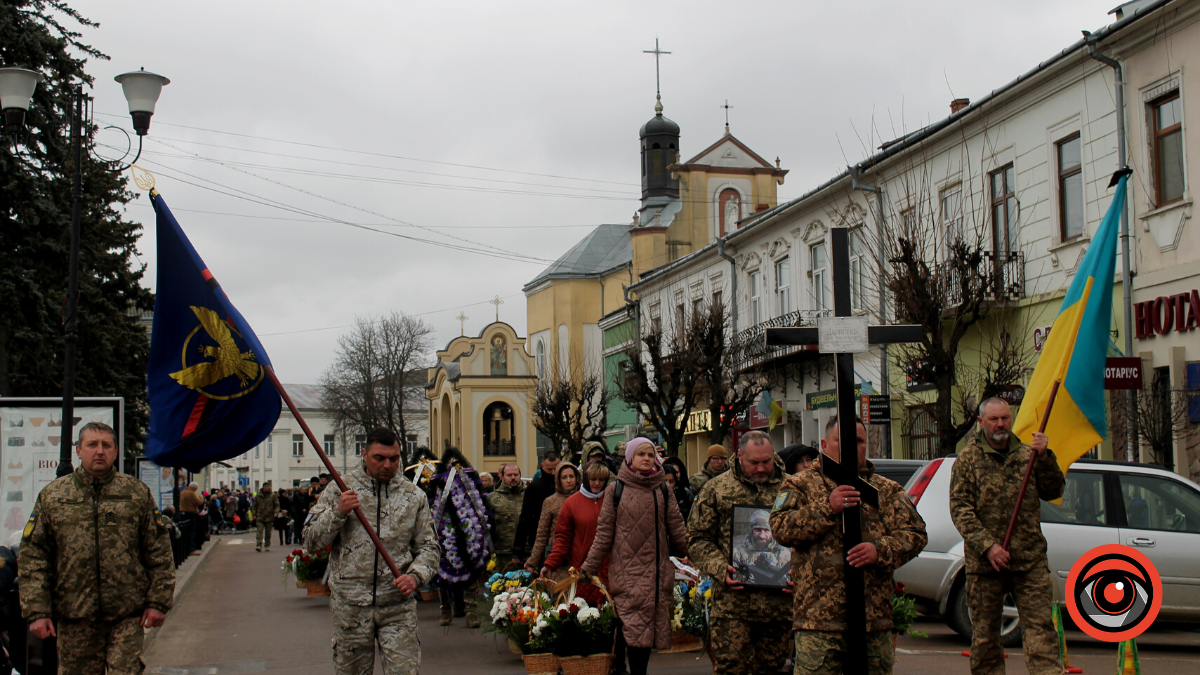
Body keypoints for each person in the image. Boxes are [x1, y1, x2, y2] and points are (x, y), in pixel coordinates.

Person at [770, 416, 927, 675]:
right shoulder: (800, 484)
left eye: (859, 441)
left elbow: (915, 533)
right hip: (818, 621)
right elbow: (781, 528)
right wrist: (826, 509)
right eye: (842, 441)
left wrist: (880, 549)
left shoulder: (886, 490)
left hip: (872, 619)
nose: (852, 447)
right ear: (824, 444)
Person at [20, 422, 175, 675]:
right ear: (79, 451)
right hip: (74, 617)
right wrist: (36, 610)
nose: (99, 451)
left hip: (126, 615)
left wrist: (158, 601)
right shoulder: (54, 496)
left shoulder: (135, 493)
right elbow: (34, 555)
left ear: (115, 451)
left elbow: (158, 551)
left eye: (106, 445)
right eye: (92, 445)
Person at [305, 428, 440, 675]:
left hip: (397, 607)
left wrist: (416, 576)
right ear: (364, 454)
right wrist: (338, 512)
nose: (388, 465)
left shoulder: (413, 496)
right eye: (380, 458)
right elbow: (311, 542)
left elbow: (429, 547)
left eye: (394, 458)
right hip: (351, 608)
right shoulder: (340, 490)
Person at [950, 398, 1064, 675]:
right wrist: (989, 547)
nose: (1000, 424)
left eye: (1005, 418)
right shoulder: (968, 459)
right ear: (981, 422)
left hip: (1029, 561)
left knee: (1041, 632)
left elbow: (1054, 490)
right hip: (986, 565)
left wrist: (1046, 457)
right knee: (986, 638)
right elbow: (960, 509)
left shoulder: (1029, 454)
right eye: (994, 419)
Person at [687, 430, 792, 675]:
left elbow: (805, 537)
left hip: (778, 607)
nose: (761, 469)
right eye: (754, 463)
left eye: (766, 461)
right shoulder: (717, 489)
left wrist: (798, 568)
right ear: (739, 456)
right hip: (733, 607)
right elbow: (696, 538)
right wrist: (721, 568)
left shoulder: (792, 487)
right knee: (731, 669)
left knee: (772, 669)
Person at [583, 437, 688, 675]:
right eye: (641, 454)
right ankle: (627, 669)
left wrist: (695, 556)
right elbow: (604, 532)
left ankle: (631, 670)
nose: (646, 459)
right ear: (630, 458)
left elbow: (677, 528)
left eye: (650, 455)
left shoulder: (663, 489)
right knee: (633, 629)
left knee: (644, 633)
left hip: (658, 574)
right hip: (626, 572)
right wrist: (589, 567)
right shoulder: (615, 490)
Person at [542, 461, 611, 606]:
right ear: (586, 479)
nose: (597, 483)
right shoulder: (571, 503)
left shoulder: (613, 501)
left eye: (601, 480)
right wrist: (550, 564)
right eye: (593, 479)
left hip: (610, 571)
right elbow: (562, 539)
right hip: (582, 570)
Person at [525, 463, 580, 576]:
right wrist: (533, 561)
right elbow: (542, 535)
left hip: (580, 558)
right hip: (558, 560)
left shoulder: (583, 499)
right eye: (564, 477)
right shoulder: (550, 502)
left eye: (571, 476)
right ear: (558, 480)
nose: (568, 480)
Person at [511, 451, 560, 564]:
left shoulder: (568, 485)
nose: (553, 473)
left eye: (555, 469)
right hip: (539, 540)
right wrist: (518, 551)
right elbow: (524, 519)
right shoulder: (534, 488)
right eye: (549, 470)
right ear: (542, 466)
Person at [486, 464, 524, 571]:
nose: (513, 477)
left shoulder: (529, 494)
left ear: (520, 475)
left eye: (515, 474)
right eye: (509, 475)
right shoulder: (492, 498)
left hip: (526, 552)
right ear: (502, 477)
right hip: (502, 553)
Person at [252, 482, 279, 552]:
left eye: (268, 486)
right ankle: (259, 545)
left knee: (268, 532)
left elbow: (276, 505)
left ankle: (267, 545)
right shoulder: (258, 496)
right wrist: (254, 514)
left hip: (269, 516)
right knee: (259, 532)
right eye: (266, 486)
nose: (267, 488)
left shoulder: (273, 495)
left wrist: (276, 512)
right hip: (260, 516)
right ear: (263, 487)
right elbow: (254, 506)